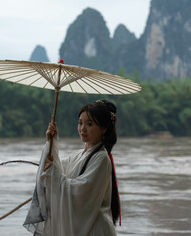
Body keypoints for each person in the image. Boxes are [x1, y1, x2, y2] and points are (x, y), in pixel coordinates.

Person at [24, 100, 120, 236]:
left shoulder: (101, 158)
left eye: (90, 124)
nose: (83, 129)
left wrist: (52, 173)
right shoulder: (78, 155)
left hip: (95, 228)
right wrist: (52, 142)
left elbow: (80, 193)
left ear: (104, 128)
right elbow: (55, 167)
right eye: (80, 123)